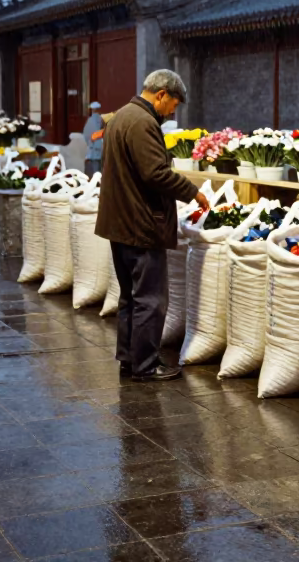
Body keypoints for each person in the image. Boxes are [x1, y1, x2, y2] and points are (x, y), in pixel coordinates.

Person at [95, 70, 208, 382]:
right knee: (150, 298)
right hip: (140, 224)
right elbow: (155, 173)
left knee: (131, 296)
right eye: (173, 103)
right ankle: (145, 364)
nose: (173, 111)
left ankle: (129, 359)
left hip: (119, 222)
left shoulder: (120, 117)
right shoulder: (143, 122)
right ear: (160, 94)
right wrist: (193, 192)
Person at [83, 101, 104, 176]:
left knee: (94, 169)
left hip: (93, 148)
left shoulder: (90, 121)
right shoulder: (102, 120)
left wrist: (89, 143)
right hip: (101, 147)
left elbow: (86, 134)